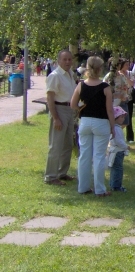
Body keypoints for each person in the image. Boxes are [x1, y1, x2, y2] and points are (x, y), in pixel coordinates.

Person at [70, 56, 115, 197]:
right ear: (100, 69)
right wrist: (113, 127)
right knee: (99, 156)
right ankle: (100, 189)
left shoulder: (81, 85)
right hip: (101, 122)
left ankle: (83, 187)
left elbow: (72, 104)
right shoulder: (105, 87)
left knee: (84, 155)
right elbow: (109, 110)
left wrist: (81, 109)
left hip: (85, 122)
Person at [44, 50, 77, 186]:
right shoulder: (55, 76)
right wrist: (56, 117)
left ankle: (62, 172)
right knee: (56, 144)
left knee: (68, 144)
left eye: (70, 59)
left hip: (70, 110)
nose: (68, 62)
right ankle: (50, 176)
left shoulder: (70, 74)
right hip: (59, 109)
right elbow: (50, 98)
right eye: (65, 59)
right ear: (59, 61)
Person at [104, 58, 134, 143]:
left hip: (122, 101)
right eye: (117, 65)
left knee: (125, 121)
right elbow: (105, 89)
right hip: (112, 102)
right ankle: (113, 138)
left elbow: (127, 86)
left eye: (119, 65)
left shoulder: (121, 75)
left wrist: (125, 95)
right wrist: (115, 95)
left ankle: (114, 135)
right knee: (114, 121)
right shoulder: (109, 76)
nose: (118, 67)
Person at [107, 106, 129, 192]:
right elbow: (118, 141)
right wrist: (126, 146)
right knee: (118, 169)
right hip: (117, 152)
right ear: (115, 117)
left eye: (124, 117)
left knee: (114, 168)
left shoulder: (115, 128)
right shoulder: (116, 129)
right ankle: (116, 186)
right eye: (121, 117)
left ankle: (113, 184)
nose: (123, 119)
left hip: (115, 151)